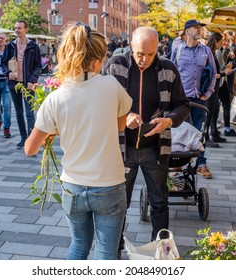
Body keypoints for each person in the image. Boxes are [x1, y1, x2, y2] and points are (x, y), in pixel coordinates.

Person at [24, 22, 132, 260]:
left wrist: (51, 135)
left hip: (72, 186)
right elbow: (120, 125)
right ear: (96, 61)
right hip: (109, 184)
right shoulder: (111, 86)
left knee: (78, 247)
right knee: (106, 252)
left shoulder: (55, 98)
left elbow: (30, 148)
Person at [102, 26, 189, 253]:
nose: (145, 59)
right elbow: (100, 103)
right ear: (131, 46)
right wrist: (124, 115)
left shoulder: (168, 69)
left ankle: (161, 252)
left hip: (156, 149)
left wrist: (169, 121)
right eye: (140, 53)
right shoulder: (115, 65)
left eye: (151, 54)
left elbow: (183, 105)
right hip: (123, 148)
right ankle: (114, 250)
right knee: (119, 204)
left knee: (159, 202)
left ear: (158, 48)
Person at [171, 19, 217, 179]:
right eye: (196, 28)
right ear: (187, 31)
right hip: (180, 101)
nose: (199, 30)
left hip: (199, 100)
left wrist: (207, 94)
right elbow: (171, 73)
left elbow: (213, 75)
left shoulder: (206, 51)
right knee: (180, 133)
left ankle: (201, 164)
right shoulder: (177, 49)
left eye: (200, 28)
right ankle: (179, 168)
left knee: (199, 133)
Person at [2, 20, 42, 149]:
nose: (17, 30)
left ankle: (31, 141)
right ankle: (23, 138)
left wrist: (32, 80)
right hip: (14, 85)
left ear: (26, 29)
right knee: (19, 113)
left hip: (28, 84)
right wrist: (8, 73)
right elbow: (4, 63)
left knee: (30, 113)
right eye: (15, 28)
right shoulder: (10, 46)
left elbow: (38, 66)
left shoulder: (33, 46)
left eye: (19, 28)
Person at [205, 32, 232, 146]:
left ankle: (212, 135)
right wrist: (224, 73)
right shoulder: (210, 53)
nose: (221, 44)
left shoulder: (210, 52)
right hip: (211, 88)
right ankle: (206, 138)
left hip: (213, 88)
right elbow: (213, 74)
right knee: (210, 113)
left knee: (214, 110)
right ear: (215, 41)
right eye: (220, 42)